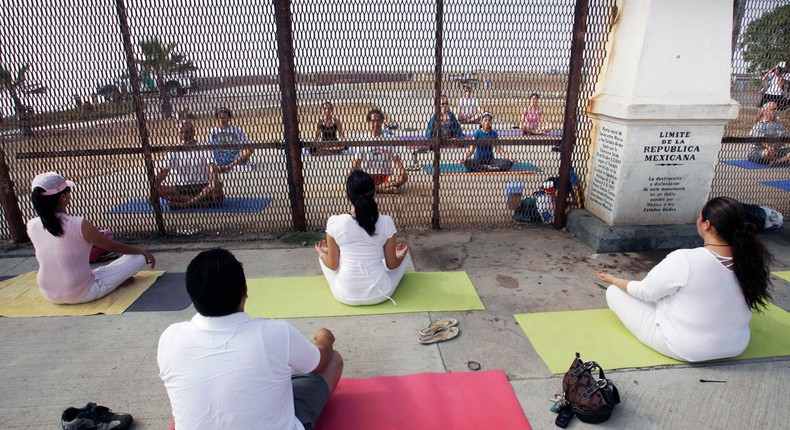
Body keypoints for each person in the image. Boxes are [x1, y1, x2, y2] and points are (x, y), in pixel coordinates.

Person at [158, 248, 343, 430]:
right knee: (333, 359)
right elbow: (319, 362)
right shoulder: (276, 333)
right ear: (245, 291)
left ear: (192, 294)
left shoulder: (170, 338)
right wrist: (325, 338)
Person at [595, 197, 773, 362]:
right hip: (737, 345)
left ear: (707, 225)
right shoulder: (750, 259)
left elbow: (644, 292)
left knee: (615, 293)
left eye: (699, 217)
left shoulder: (685, 259)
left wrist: (613, 280)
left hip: (685, 348)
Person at [27, 172, 155, 304]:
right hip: (83, 292)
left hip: (48, 294)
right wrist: (142, 251)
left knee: (99, 271)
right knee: (139, 258)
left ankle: (114, 280)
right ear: (63, 197)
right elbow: (111, 246)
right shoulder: (78, 223)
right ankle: (115, 283)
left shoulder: (31, 225)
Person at [315, 170, 414, 305]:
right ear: (374, 193)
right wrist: (400, 256)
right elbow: (392, 265)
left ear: (347, 195)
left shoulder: (335, 222)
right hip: (381, 293)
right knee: (405, 257)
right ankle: (397, 257)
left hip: (345, 295)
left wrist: (321, 253)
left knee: (326, 258)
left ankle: (325, 253)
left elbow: (333, 266)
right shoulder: (386, 222)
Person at [150, 120, 223, 209]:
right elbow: (164, 172)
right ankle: (199, 202)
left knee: (218, 185)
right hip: (183, 188)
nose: (184, 136)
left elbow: (212, 166)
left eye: (187, 132)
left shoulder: (203, 146)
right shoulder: (174, 150)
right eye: (181, 132)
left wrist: (214, 181)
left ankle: (185, 204)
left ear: (193, 132)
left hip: (204, 186)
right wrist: (154, 187)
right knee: (157, 190)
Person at [352, 108, 407, 193]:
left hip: (386, 176)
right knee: (355, 180)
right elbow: (357, 162)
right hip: (369, 176)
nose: (376, 124)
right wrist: (351, 175)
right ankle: (384, 189)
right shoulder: (363, 139)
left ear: (382, 122)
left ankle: (376, 189)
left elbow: (396, 161)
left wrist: (402, 172)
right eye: (373, 121)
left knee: (403, 177)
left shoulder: (390, 138)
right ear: (368, 122)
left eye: (378, 121)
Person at [208, 106, 254, 172]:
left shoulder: (236, 130)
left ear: (229, 118)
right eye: (220, 117)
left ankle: (229, 166)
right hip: (218, 162)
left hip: (234, 163)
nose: (221, 120)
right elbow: (209, 149)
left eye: (224, 118)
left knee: (249, 150)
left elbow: (248, 147)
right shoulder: (214, 131)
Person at [747, 101, 790, 165]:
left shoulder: (779, 125)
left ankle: (777, 162)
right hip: (760, 150)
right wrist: (768, 147)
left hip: (777, 150)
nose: (776, 111)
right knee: (767, 153)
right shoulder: (760, 124)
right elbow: (760, 139)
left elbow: (786, 137)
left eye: (776, 109)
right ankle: (781, 160)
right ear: (766, 111)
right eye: (773, 109)